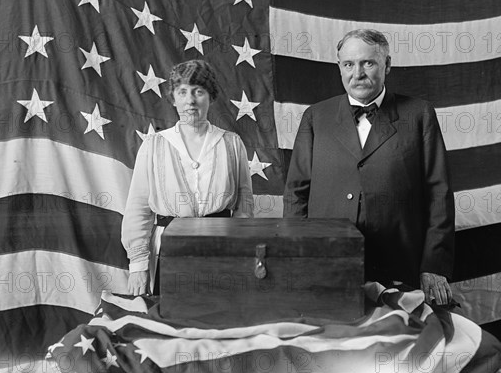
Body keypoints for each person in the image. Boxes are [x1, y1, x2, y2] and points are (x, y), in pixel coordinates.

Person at [283, 29, 455, 305]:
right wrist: (296, 255)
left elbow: (439, 194)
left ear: (387, 65)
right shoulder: (316, 117)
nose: (358, 73)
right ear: (339, 68)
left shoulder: (419, 114)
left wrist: (433, 264)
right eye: (349, 64)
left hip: (400, 265)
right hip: (328, 265)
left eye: (368, 63)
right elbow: (296, 193)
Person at [122, 59, 254, 296]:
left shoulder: (231, 143)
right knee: (172, 322)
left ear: (210, 96)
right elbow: (138, 208)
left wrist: (238, 251)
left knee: (219, 318)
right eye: (182, 92)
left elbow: (245, 205)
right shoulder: (154, 146)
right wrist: (138, 265)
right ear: (173, 98)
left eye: (198, 91)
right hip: (169, 250)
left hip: (221, 249)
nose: (190, 101)